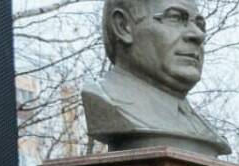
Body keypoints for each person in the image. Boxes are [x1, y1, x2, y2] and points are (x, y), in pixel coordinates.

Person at [82, 0, 231, 156]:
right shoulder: (104, 98)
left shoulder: (203, 128)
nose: (198, 35)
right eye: (175, 18)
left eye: (200, 25)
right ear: (123, 26)